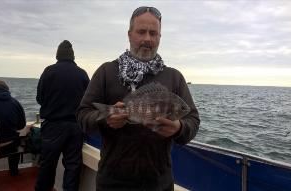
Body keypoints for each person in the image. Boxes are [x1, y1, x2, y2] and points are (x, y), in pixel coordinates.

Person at [76, 6, 200, 191]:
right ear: (129, 34)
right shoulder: (106, 72)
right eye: (141, 32)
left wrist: (179, 128)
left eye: (153, 33)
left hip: (159, 184)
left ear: (160, 37)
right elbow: (83, 116)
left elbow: (193, 120)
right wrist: (105, 119)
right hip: (112, 183)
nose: (147, 39)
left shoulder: (175, 77)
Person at [35, 40, 90, 191]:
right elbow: (88, 102)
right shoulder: (82, 73)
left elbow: (39, 98)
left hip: (52, 126)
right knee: (72, 166)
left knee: (47, 165)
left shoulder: (48, 71)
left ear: (58, 55)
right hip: (75, 127)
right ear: (72, 56)